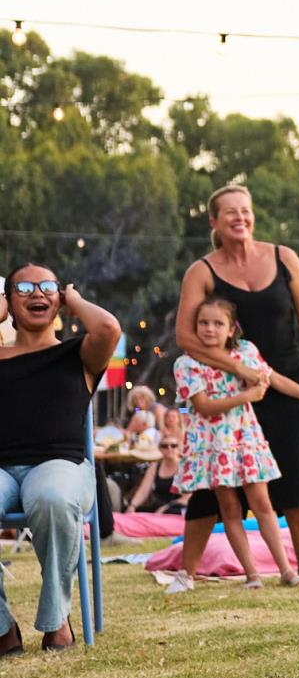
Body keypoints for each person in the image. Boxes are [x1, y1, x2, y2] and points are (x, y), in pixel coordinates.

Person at [172, 185, 299, 586]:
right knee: (213, 485)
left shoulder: (283, 258)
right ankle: (187, 572)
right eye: (230, 212)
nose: (240, 218)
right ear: (214, 221)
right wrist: (240, 369)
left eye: (246, 210)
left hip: (283, 377)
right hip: (225, 391)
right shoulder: (202, 271)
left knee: (298, 472)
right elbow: (185, 337)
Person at [0, 267, 119, 651]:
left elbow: (108, 329)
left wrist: (74, 299)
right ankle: (2, 628)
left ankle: (57, 620)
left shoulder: (78, 352)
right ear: (9, 301)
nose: (38, 293)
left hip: (60, 465)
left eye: (47, 287)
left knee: (52, 498)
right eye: (24, 287)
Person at [175, 296, 299, 589]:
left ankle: (286, 570)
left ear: (231, 329)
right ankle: (252, 574)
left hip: (245, 439)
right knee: (228, 507)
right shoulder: (187, 363)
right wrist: (246, 397)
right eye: (203, 323)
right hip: (214, 444)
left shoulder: (245, 353)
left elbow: (275, 379)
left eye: (218, 323)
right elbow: (203, 406)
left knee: (262, 503)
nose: (209, 329)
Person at [129, 436, 189, 513]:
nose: (169, 449)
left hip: (177, 507)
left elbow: (187, 498)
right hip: (159, 507)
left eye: (173, 446)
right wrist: (132, 505)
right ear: (160, 449)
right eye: (165, 446)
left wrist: (167, 507)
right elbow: (144, 490)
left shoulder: (185, 467)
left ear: (179, 448)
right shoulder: (155, 467)